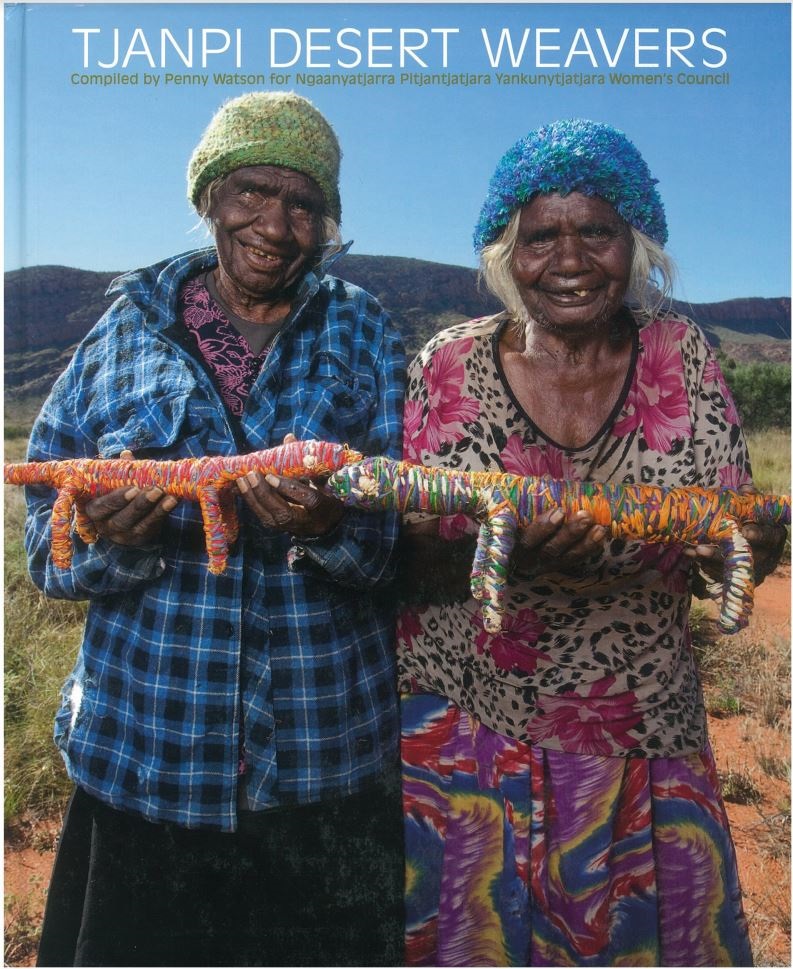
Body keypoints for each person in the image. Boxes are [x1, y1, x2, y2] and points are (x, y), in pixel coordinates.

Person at [28, 92, 405, 967]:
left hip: (320, 762)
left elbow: (403, 535)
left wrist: (330, 521)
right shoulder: (123, 333)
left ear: (325, 220)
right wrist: (107, 537)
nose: (275, 223)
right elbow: (43, 532)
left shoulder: (363, 330)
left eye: (303, 203)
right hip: (147, 751)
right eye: (250, 191)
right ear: (208, 195)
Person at [397, 119, 786, 967]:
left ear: (635, 243)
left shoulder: (680, 357)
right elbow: (405, 551)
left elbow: (733, 543)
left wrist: (751, 536)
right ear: (506, 251)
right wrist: (507, 551)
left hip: (639, 722)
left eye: (596, 231)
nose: (569, 259)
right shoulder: (448, 367)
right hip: (473, 723)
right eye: (540, 236)